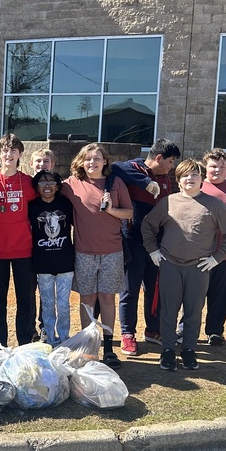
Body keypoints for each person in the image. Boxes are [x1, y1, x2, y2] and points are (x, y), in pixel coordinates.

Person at [141, 159, 226, 372]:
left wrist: (217, 257)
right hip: (170, 265)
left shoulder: (213, 204)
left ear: (202, 179)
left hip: (199, 267)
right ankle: (168, 350)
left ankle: (188, 349)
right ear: (178, 180)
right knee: (168, 310)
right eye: (185, 175)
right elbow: (148, 225)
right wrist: (153, 251)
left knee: (194, 310)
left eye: (195, 174)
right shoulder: (169, 202)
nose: (190, 178)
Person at [60, 143, 132, 368]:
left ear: (105, 162)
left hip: (112, 251)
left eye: (97, 159)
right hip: (84, 252)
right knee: (87, 299)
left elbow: (129, 212)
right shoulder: (72, 184)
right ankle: (89, 347)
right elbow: (45, 187)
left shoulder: (116, 184)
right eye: (88, 159)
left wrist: (111, 210)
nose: (92, 163)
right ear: (81, 162)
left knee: (108, 299)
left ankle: (109, 348)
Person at [113, 138, 181, 356]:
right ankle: (127, 334)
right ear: (158, 158)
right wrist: (144, 182)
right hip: (133, 241)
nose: (172, 167)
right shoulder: (133, 169)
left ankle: (153, 330)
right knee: (129, 290)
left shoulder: (165, 178)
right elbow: (115, 167)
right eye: (170, 162)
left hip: (157, 245)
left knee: (155, 289)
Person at [0, 133, 37, 348]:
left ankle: (25, 341)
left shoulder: (29, 183)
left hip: (24, 248)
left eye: (13, 150)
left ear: (20, 154)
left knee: (25, 298)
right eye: (5, 150)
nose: (9, 154)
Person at [199, 149, 226, 346]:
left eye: (221, 166)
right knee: (194, 294)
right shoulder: (196, 186)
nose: (217, 170)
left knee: (221, 295)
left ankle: (215, 331)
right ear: (205, 168)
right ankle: (185, 328)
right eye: (213, 166)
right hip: (199, 253)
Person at [28, 170, 74, 346]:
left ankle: (64, 337)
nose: (47, 186)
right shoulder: (32, 207)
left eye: (51, 182)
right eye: (41, 182)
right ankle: (49, 337)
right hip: (43, 263)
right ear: (36, 187)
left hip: (65, 263)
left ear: (57, 186)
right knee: (47, 304)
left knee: (63, 304)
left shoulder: (66, 204)